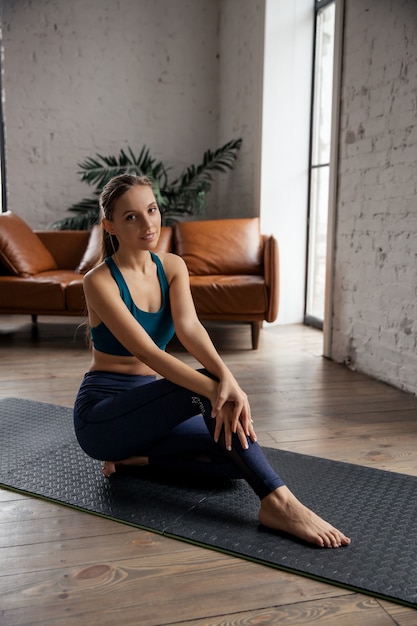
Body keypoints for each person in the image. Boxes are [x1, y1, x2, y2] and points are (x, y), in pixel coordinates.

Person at [73, 173, 350, 549]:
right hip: (103, 416)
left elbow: (190, 329)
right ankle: (280, 503)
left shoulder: (171, 267)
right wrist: (214, 387)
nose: (148, 223)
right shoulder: (99, 281)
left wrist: (228, 379)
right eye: (131, 217)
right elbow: (148, 353)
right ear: (110, 226)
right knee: (210, 397)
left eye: (151, 210)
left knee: (230, 455)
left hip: (149, 411)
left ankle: (133, 461)